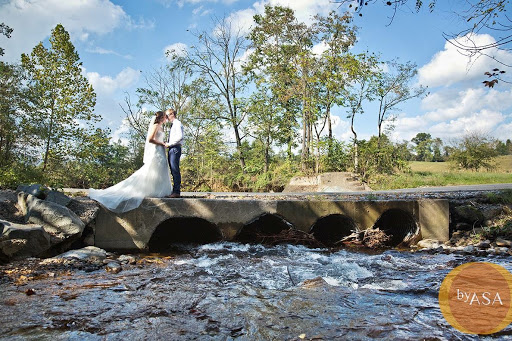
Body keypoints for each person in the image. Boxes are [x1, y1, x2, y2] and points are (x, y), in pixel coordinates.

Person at [89, 111, 173, 213]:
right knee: (154, 169)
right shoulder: (155, 125)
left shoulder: (161, 126)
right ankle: (152, 189)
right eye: (165, 117)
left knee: (162, 169)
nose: (166, 118)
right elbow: (150, 139)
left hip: (161, 150)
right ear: (161, 117)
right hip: (157, 149)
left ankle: (158, 189)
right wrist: (162, 143)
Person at [166, 108, 183, 198]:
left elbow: (180, 136)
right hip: (172, 148)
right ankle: (175, 191)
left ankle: (176, 191)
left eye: (167, 115)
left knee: (175, 170)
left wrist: (170, 144)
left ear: (172, 114)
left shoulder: (177, 123)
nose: (167, 118)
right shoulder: (174, 125)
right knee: (173, 170)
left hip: (175, 148)